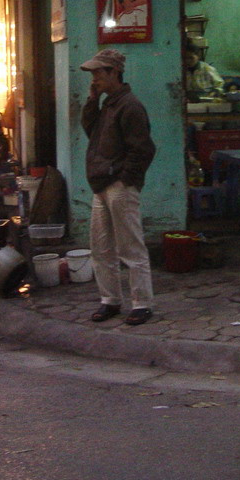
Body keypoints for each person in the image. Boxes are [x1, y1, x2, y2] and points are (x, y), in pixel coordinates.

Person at [80, 48, 157, 326]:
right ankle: (110, 300)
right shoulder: (108, 104)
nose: (94, 79)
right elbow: (91, 132)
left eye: (99, 73)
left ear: (114, 72)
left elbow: (144, 150)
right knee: (100, 248)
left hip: (119, 186)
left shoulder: (130, 106)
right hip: (102, 184)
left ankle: (142, 303)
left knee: (130, 248)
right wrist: (92, 100)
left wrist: (126, 178)